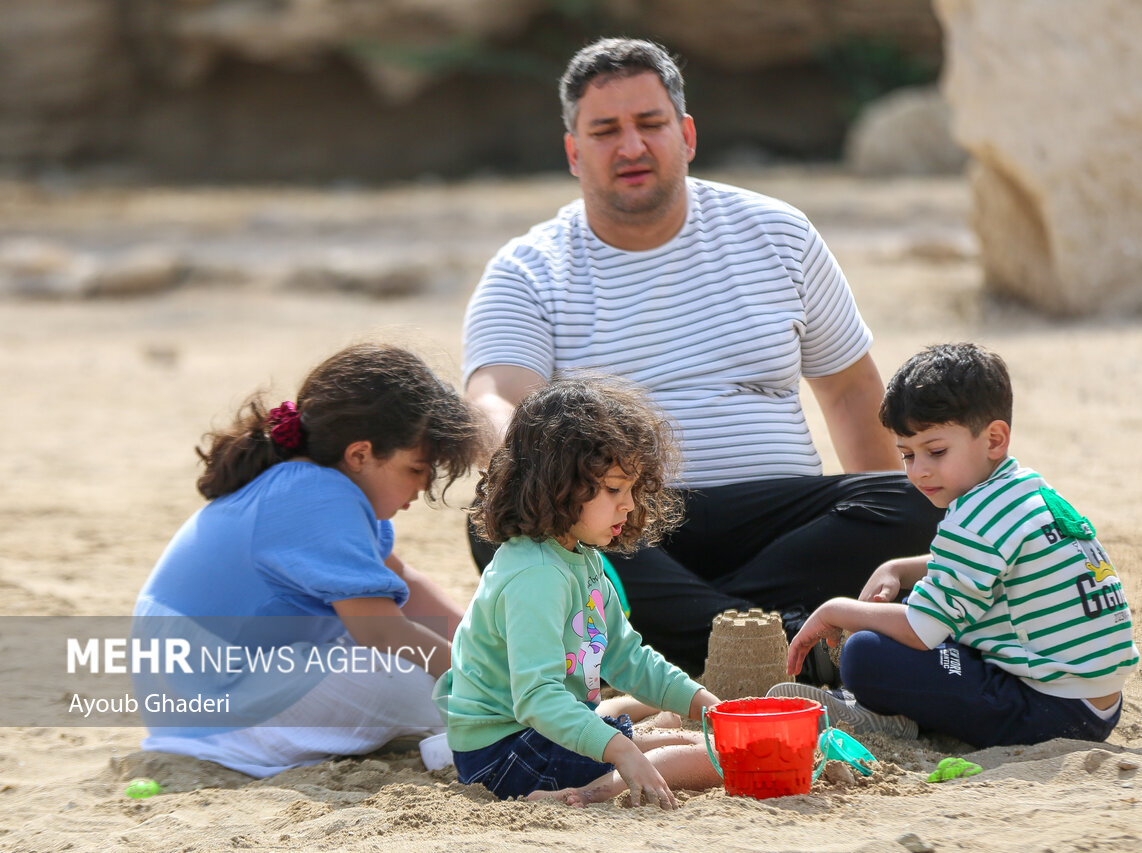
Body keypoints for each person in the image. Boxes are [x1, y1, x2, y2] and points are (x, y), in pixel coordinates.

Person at [461, 36, 942, 678]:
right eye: (605, 131)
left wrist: (889, 544)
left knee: (919, 501)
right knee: (499, 519)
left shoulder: (779, 233)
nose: (631, 146)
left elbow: (852, 391)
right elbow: (495, 396)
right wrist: (529, 465)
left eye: (650, 123)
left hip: (779, 526)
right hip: (620, 526)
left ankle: (700, 642)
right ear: (574, 152)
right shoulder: (527, 269)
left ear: (686, 134)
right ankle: (778, 646)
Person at [131, 343, 485, 777]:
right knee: (412, 681)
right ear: (360, 454)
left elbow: (405, 585)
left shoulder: (314, 485)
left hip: (206, 689)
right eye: (416, 469)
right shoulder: (318, 496)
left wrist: (486, 651)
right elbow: (381, 631)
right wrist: (486, 682)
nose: (423, 485)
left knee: (423, 666)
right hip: (211, 705)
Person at [768, 343, 1140, 748]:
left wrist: (835, 610)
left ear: (994, 439)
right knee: (911, 603)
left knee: (865, 654)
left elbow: (920, 631)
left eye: (936, 452)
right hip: (1096, 701)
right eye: (907, 455)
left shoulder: (975, 518)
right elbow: (980, 564)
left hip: (1051, 710)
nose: (919, 472)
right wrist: (898, 568)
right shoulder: (1021, 489)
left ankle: (890, 718)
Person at [437, 377, 723, 807]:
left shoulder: (579, 557)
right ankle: (594, 793)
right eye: (614, 489)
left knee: (672, 730)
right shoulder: (536, 574)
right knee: (711, 756)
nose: (629, 504)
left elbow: (626, 657)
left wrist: (709, 707)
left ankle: (623, 753)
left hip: (535, 734)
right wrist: (623, 751)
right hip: (505, 754)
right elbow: (537, 697)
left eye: (632, 489)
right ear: (559, 485)